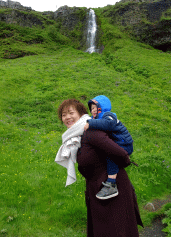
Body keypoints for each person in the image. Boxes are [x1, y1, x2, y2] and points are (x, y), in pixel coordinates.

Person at [56, 98, 143, 237]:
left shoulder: (91, 132)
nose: (67, 117)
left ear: (81, 114)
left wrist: (118, 167)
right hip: (99, 193)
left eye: (71, 113)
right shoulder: (77, 137)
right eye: (63, 114)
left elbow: (120, 153)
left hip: (114, 194)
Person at [84, 95, 133, 200]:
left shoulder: (108, 115)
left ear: (101, 107)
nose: (92, 110)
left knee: (111, 155)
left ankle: (112, 184)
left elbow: (108, 124)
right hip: (119, 142)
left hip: (124, 143)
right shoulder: (99, 119)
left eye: (94, 108)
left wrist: (91, 123)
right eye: (91, 109)